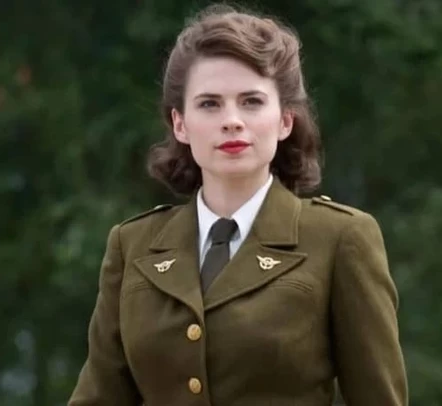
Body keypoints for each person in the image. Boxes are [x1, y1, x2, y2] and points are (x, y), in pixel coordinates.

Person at [68, 3, 408, 405]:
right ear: (180, 123)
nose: (231, 120)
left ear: (285, 120)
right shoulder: (133, 246)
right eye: (209, 104)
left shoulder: (340, 239)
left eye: (251, 101)